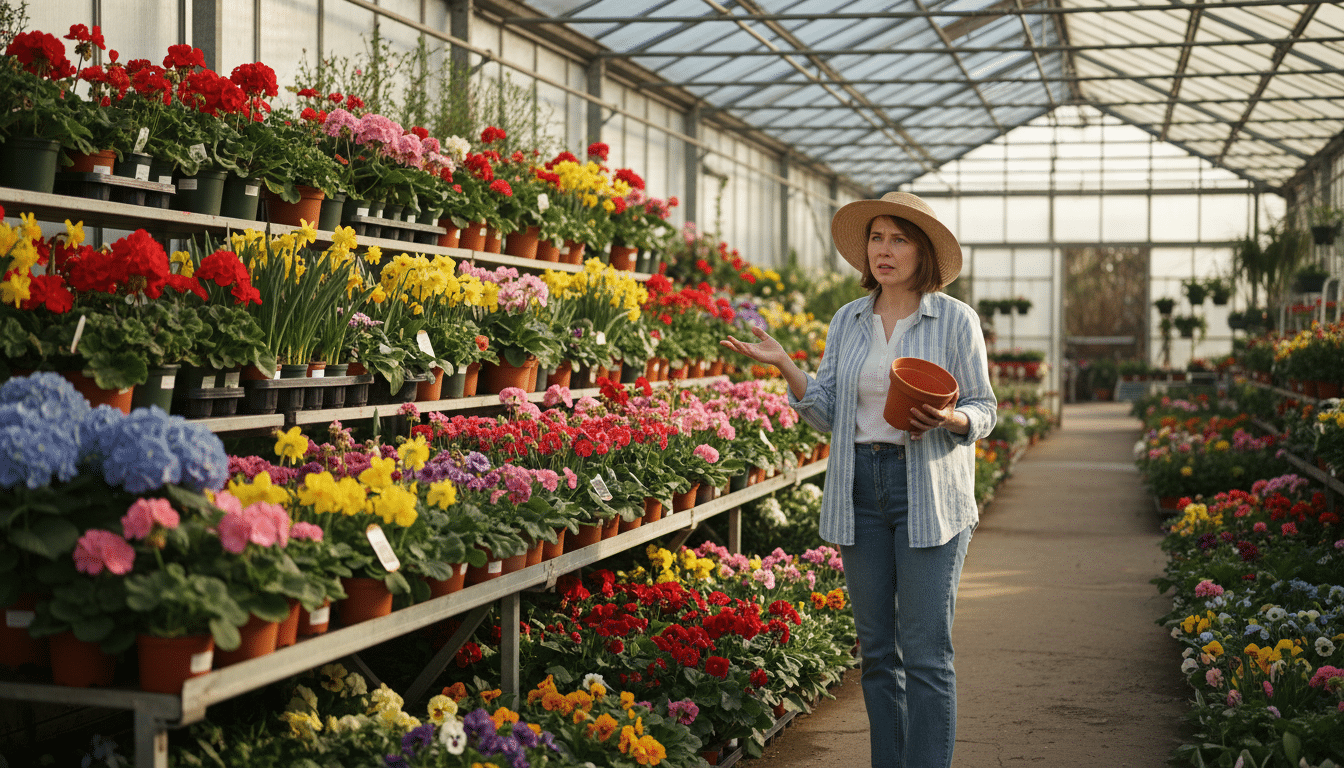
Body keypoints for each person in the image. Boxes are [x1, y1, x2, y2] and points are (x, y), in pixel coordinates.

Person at [721, 191, 996, 768]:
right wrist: (787, 367)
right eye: (876, 238)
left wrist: (952, 418)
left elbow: (984, 409)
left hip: (927, 493)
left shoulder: (954, 319)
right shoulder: (847, 320)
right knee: (876, 654)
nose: (884, 251)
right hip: (860, 490)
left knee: (925, 655)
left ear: (923, 252)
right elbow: (828, 412)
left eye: (899, 239)